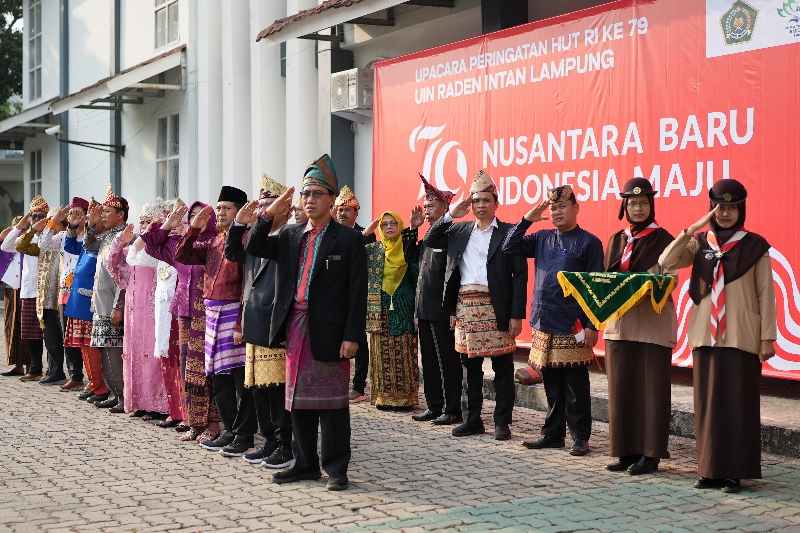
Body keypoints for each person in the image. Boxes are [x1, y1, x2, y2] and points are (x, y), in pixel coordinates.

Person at [246, 154, 367, 491]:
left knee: (332, 404)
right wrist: (270, 213)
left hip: (330, 331)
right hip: (296, 329)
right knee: (297, 400)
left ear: (331, 199)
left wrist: (352, 335)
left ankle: (337, 468)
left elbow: (357, 293)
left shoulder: (349, 239)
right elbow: (254, 245)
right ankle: (304, 463)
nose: (309, 200)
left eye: (316, 193)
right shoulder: (290, 235)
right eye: (305, 194)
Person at [658, 179, 775, 494]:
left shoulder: (754, 245)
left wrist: (768, 337)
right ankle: (709, 469)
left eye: (731, 208)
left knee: (738, 404)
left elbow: (766, 293)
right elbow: (666, 261)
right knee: (707, 405)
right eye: (719, 208)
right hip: (705, 335)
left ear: (741, 209)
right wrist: (691, 229)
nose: (725, 214)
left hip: (742, 335)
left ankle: (735, 471)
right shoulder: (700, 243)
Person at [425, 170, 527, 441]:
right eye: (476, 201)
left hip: (498, 306)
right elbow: (430, 239)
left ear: (496, 203)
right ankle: (472, 419)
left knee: (502, 367)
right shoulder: (459, 230)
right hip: (465, 307)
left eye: (486, 200)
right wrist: (451, 213)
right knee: (469, 368)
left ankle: (502, 423)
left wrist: (517, 314)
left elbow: (520, 277)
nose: (481, 205)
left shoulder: (508, 232)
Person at [502, 185, 603, 456]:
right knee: (552, 385)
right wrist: (527, 219)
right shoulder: (543, 238)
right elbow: (508, 246)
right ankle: (553, 435)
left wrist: (593, 325)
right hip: (544, 321)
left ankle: (580, 437)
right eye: (553, 207)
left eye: (562, 206)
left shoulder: (589, 243)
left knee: (576, 386)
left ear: (575, 208)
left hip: (574, 325)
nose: (556, 211)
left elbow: (596, 288)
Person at [176, 186, 256, 457]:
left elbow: (248, 283)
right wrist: (194, 228)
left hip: (235, 312)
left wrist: (241, 323)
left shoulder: (245, 240)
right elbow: (182, 255)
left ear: (241, 212)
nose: (221, 212)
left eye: (227, 208)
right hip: (212, 312)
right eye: (219, 208)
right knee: (218, 377)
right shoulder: (211, 241)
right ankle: (229, 430)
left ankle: (244, 434)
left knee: (238, 378)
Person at [603, 178, 676, 475]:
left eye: (643, 203)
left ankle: (651, 454)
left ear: (651, 205)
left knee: (652, 391)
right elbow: (605, 279)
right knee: (622, 388)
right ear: (624, 206)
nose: (637, 207)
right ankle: (625, 450)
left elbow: (670, 280)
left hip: (652, 324)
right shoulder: (616, 240)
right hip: (619, 324)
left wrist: (645, 283)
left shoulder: (666, 240)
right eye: (632, 203)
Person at [226, 176, 294, 469]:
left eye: (270, 205)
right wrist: (239, 224)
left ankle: (284, 444)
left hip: (277, 323)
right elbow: (233, 253)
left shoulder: (293, 235)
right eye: (261, 205)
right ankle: (269, 441)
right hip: (254, 318)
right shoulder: (256, 235)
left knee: (277, 389)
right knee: (259, 387)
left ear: (286, 208)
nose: (263, 210)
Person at [142, 201, 221, 443]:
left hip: (207, 313)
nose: (196, 220)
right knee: (188, 369)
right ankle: (195, 422)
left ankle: (214, 424)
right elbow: (151, 245)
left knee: (207, 371)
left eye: (202, 215)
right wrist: (169, 223)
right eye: (192, 216)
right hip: (184, 313)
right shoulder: (181, 243)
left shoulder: (215, 243)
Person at [106, 204, 170, 419]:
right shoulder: (134, 246)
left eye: (148, 221)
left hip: (152, 310)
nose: (143, 225)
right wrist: (120, 241)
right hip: (133, 309)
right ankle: (140, 401)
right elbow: (112, 264)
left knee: (151, 355)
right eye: (141, 221)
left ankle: (158, 404)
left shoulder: (158, 248)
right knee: (134, 354)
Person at [412, 175, 463, 425]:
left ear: (445, 207)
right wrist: (413, 229)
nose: (426, 208)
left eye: (432, 204)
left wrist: (453, 308)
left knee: (447, 361)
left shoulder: (449, 232)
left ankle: (452, 409)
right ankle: (434, 405)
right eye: (426, 203)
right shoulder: (427, 233)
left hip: (442, 308)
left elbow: (454, 273)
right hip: (423, 308)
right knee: (429, 360)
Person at [364, 209, 422, 410]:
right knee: (381, 353)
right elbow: (353, 253)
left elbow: (415, 266)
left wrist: (414, 228)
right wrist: (364, 234)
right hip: (379, 309)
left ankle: (405, 398)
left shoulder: (406, 249)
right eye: (385, 224)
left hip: (403, 307)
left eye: (393, 224)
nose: (389, 227)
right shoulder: (374, 249)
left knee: (404, 351)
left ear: (400, 226)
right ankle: (383, 397)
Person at [38, 198, 90, 392]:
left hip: (83, 292)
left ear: (85, 216)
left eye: (78, 213)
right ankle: (75, 375)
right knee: (68, 336)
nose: (74, 217)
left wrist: (83, 226)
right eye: (71, 213)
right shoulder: (62, 236)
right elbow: (43, 244)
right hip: (65, 292)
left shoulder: (89, 237)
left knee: (84, 336)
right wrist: (54, 221)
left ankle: (92, 376)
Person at [85, 187, 129, 413]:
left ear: (120, 214)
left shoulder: (124, 237)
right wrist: (92, 224)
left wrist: (118, 306)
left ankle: (123, 396)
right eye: (102, 212)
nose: (103, 215)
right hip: (100, 303)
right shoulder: (107, 235)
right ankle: (114, 393)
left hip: (113, 305)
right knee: (104, 351)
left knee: (114, 353)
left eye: (107, 212)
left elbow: (124, 275)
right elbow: (89, 245)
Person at [62, 201, 109, 404]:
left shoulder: (103, 240)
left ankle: (101, 386)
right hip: (77, 300)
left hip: (91, 301)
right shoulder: (89, 240)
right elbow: (69, 246)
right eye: (89, 220)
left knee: (92, 347)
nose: (90, 223)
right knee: (83, 346)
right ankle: (93, 383)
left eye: (93, 219)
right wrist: (72, 226)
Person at [15, 208, 69, 385]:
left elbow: (47, 242)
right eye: (50, 220)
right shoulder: (48, 238)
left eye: (53, 221)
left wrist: (51, 225)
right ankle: (54, 371)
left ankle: (58, 372)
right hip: (45, 294)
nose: (49, 224)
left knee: (55, 335)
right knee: (49, 335)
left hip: (57, 293)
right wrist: (33, 229)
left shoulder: (62, 237)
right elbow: (20, 245)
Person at [1, 196, 49, 382]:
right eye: (34, 215)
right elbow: (6, 245)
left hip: (46, 291)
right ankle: (35, 368)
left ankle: (53, 370)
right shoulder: (26, 235)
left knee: (50, 335)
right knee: (30, 332)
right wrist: (21, 226)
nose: (38, 219)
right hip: (28, 290)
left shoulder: (50, 235)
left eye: (41, 215)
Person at [334, 185, 373, 403]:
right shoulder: (330, 234)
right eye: (339, 209)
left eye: (347, 210)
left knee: (358, 339)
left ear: (355, 213)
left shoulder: (366, 235)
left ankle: (358, 386)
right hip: (335, 296)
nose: (342, 213)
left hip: (358, 294)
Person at [0, 216, 28, 377]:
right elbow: (3, 240)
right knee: (10, 326)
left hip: (24, 290)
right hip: (11, 288)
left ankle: (30, 363)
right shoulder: (11, 244)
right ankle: (17, 364)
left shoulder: (27, 243)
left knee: (24, 327)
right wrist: (13, 230)